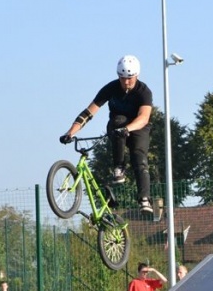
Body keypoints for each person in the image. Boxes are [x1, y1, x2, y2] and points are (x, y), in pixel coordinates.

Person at [60, 55, 156, 214]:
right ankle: (119, 168)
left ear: (136, 76)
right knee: (118, 122)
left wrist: (128, 129)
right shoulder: (110, 88)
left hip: (138, 127)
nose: (126, 82)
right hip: (118, 125)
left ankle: (144, 199)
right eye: (122, 78)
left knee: (139, 157)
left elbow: (144, 118)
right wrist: (70, 133)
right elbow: (88, 113)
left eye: (130, 78)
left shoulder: (144, 92)